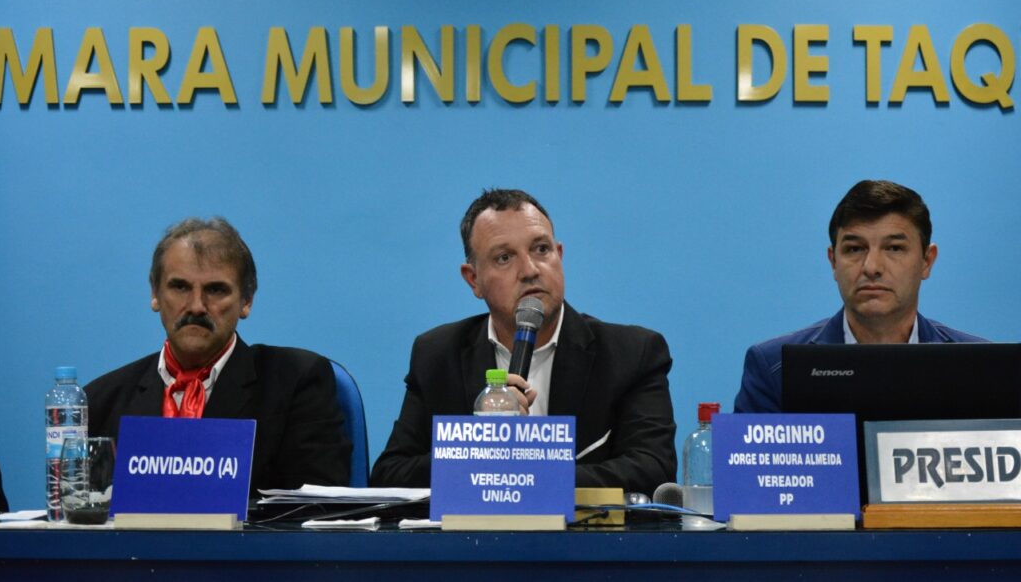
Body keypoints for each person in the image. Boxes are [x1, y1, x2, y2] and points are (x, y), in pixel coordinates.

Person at [370, 189, 677, 496]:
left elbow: (653, 469)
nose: (530, 270)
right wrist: (480, 445)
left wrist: (524, 472)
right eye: (504, 258)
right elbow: (390, 475)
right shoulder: (438, 355)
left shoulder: (632, 353)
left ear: (559, 255)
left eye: (541, 249)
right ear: (473, 279)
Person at [86, 217, 350, 493]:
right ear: (155, 294)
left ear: (246, 301)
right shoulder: (101, 401)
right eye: (180, 287)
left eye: (215, 290)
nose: (196, 306)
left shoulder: (295, 384)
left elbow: (318, 508)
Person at [734, 180, 986, 413]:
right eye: (855, 249)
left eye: (894, 248)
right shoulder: (775, 368)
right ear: (834, 262)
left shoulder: (980, 367)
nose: (871, 267)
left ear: (926, 262)